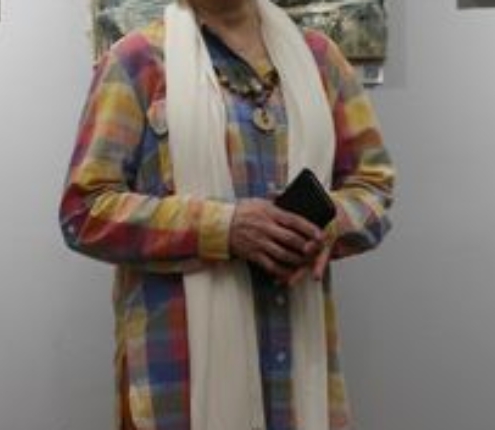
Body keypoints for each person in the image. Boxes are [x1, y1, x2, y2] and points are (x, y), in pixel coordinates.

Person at [59, 0, 395, 429]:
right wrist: (224, 227)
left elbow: (373, 184)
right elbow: (85, 210)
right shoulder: (136, 62)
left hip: (299, 376)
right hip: (177, 381)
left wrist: (327, 226)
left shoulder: (320, 60)